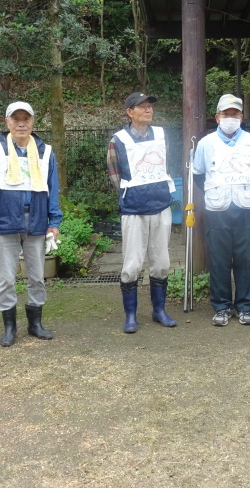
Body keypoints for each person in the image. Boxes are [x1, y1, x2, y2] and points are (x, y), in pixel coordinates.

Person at [0, 101, 62, 347]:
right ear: (7, 122)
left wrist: (54, 222)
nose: (21, 123)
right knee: (6, 278)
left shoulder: (46, 152)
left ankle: (35, 324)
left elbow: (52, 189)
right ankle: (10, 326)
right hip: (4, 222)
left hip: (36, 221)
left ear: (33, 121)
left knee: (37, 276)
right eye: (16, 119)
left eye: (26, 118)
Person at [106, 92, 177, 333]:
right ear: (130, 112)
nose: (148, 110)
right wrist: (132, 194)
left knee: (161, 262)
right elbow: (114, 173)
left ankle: (159, 311)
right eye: (142, 107)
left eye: (150, 107)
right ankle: (131, 315)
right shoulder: (119, 139)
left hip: (160, 205)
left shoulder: (160, 134)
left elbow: (167, 163)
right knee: (132, 263)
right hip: (134, 209)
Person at [193, 94, 250, 326]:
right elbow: (198, 174)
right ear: (217, 117)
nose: (231, 118)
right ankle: (221, 306)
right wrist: (218, 190)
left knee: (245, 258)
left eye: (235, 114)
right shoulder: (206, 143)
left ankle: (245, 307)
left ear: (241, 117)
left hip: (246, 207)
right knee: (219, 259)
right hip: (217, 208)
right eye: (226, 114)